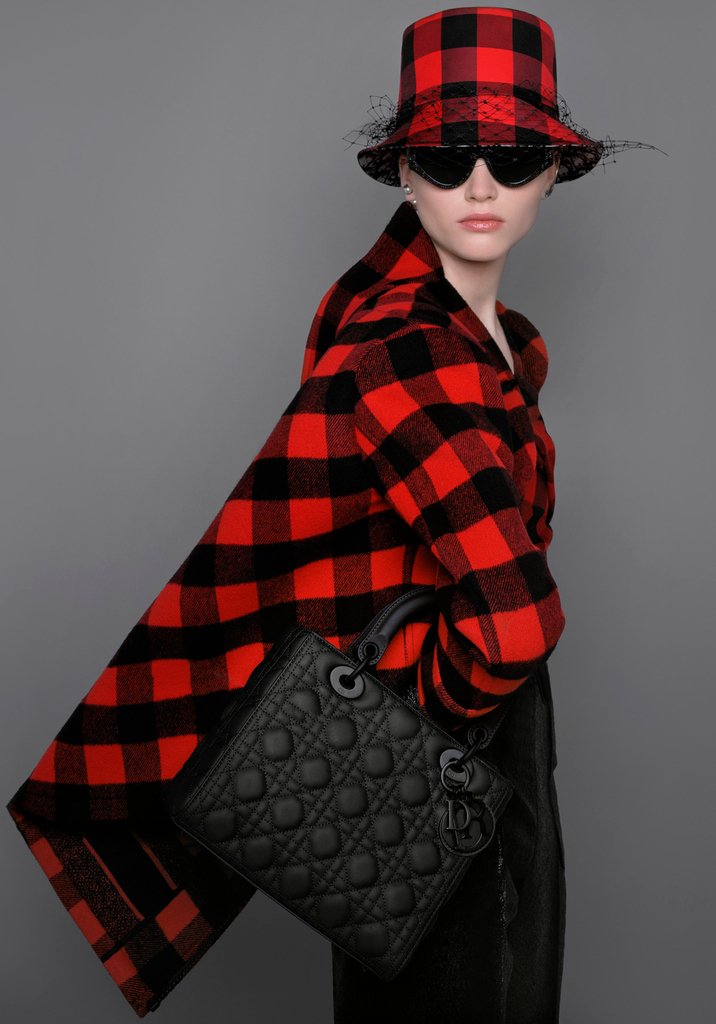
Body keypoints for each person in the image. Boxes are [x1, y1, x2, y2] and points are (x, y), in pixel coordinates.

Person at [6, 6, 662, 1022]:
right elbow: (514, 623)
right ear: (403, 173)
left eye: (511, 155)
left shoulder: (483, 338)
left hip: (434, 766)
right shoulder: (413, 348)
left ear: (551, 174)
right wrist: (414, 717)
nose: (479, 184)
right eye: (443, 156)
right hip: (458, 762)